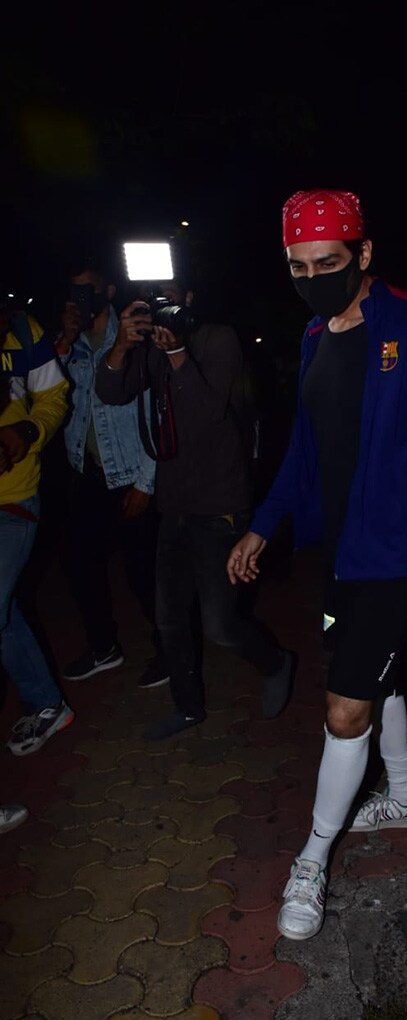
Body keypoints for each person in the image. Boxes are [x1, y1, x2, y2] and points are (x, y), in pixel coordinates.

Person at [226, 188, 407, 941]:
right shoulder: (313, 337)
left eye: (328, 262)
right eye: (298, 265)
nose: (312, 276)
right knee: (373, 671)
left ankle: (312, 860)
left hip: (403, 556)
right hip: (343, 555)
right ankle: (404, 795)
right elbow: (306, 445)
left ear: (364, 255)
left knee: (344, 705)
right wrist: (264, 526)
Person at [94, 278, 296, 741]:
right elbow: (111, 393)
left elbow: (208, 414)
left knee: (221, 626)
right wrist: (122, 346)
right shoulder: (145, 344)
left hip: (220, 505)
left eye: (169, 296)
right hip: (175, 505)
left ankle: (276, 661)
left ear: (190, 298)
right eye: (152, 298)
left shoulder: (217, 337)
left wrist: (176, 353)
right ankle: (188, 708)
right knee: (169, 620)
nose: (161, 307)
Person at [54, 259, 167, 689]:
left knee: (143, 573)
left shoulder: (133, 339)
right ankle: (103, 647)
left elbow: (159, 413)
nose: (79, 299)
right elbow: (53, 397)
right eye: (73, 290)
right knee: (80, 566)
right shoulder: (75, 343)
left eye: (88, 290)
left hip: (130, 475)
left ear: (108, 290)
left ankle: (169, 652)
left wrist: (146, 480)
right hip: (87, 475)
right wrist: (63, 342)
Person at [0, 294, 74, 756]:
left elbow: (54, 397)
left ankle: (48, 703)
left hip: (13, 497)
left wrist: (26, 432)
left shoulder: (23, 330)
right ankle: (48, 702)